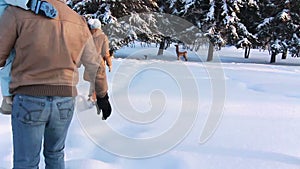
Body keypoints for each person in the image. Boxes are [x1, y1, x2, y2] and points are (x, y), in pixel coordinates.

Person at [0, 0, 112, 168]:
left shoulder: (16, 12)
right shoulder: (77, 20)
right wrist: (103, 96)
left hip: (29, 98)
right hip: (65, 100)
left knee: (26, 162)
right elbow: (95, 64)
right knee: (55, 155)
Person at [0, 0, 57, 115]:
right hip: (8, 23)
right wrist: (32, 3)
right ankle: (9, 97)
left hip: (16, 21)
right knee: (10, 57)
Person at [85, 18, 112, 104]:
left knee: (93, 81)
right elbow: (106, 53)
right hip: (99, 64)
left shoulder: (88, 37)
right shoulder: (103, 37)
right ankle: (94, 100)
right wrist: (109, 64)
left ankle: (91, 97)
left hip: (89, 63)